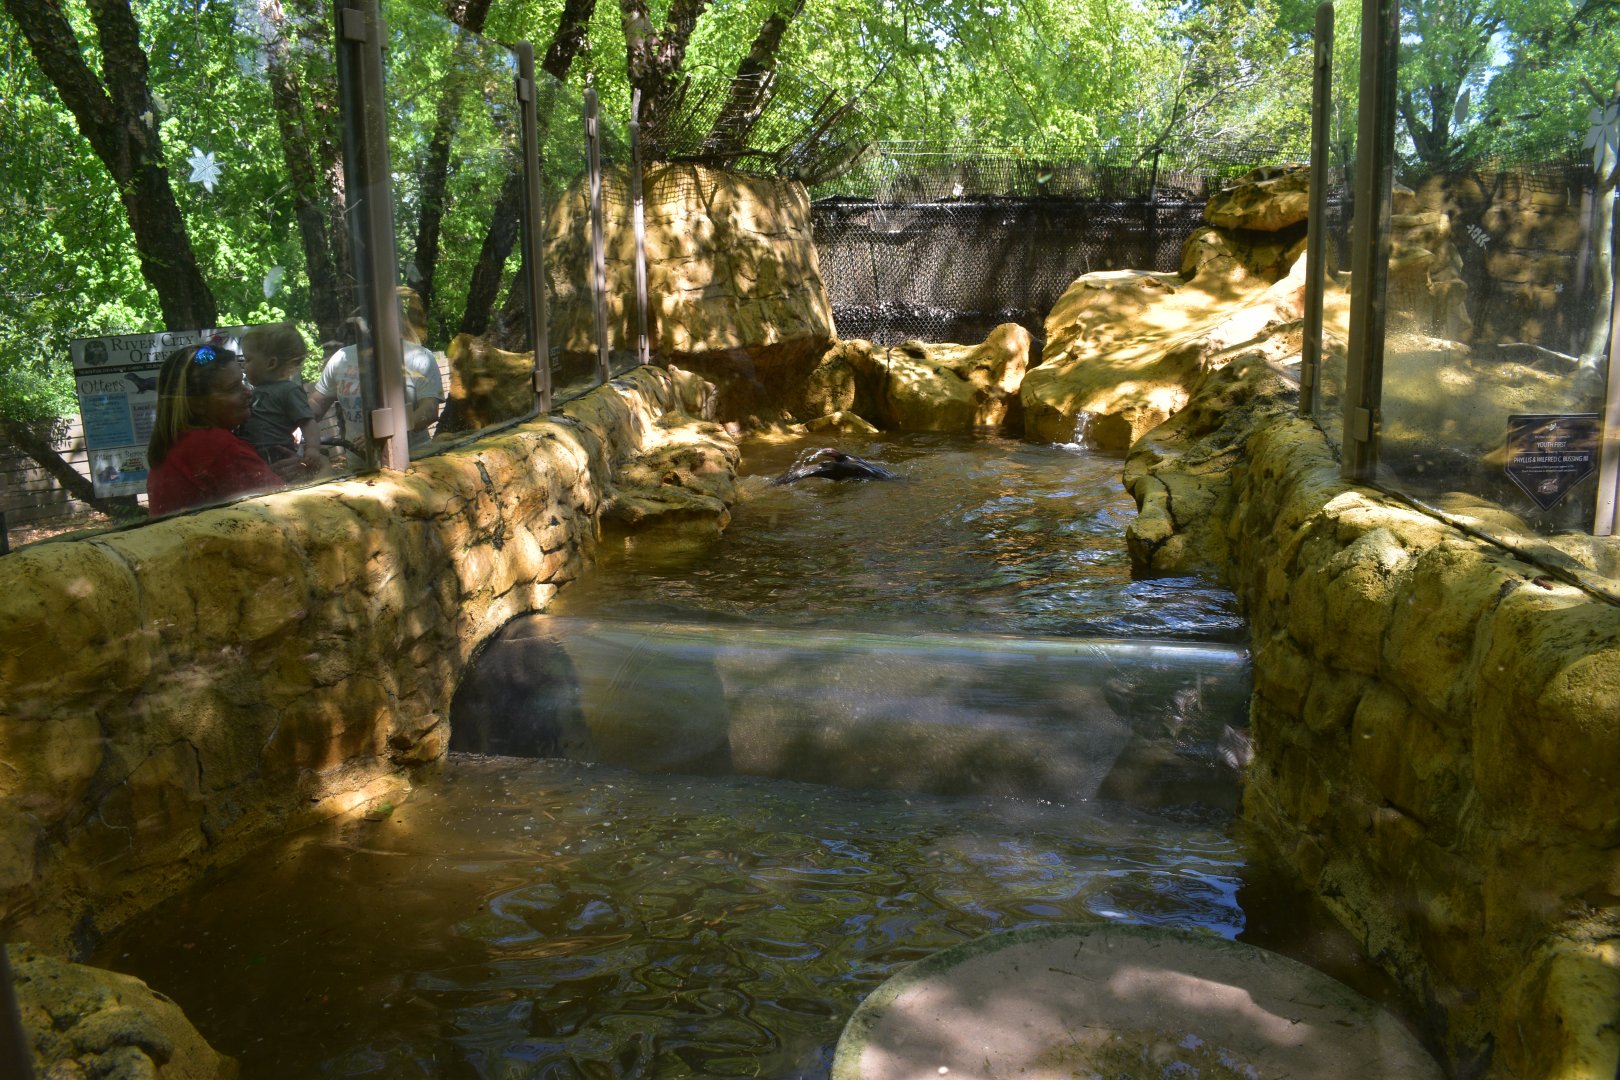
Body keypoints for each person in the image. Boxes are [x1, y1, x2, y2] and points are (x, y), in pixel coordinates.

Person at [147, 342, 285, 516]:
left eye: (243, 382)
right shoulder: (214, 446)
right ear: (197, 404)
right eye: (233, 388)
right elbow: (285, 509)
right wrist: (321, 472)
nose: (248, 392)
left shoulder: (179, 441)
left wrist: (266, 472)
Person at [309, 287, 444, 454]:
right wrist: (297, 424)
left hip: (413, 461)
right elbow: (316, 405)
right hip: (360, 465)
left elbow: (429, 411)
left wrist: (385, 431)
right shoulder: (341, 358)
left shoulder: (419, 356)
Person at [238, 323, 325, 481]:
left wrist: (312, 449)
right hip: (254, 452)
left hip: (276, 454)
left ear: (271, 363)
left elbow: (308, 422)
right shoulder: (256, 390)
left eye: (248, 359)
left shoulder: (288, 390)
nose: (244, 366)